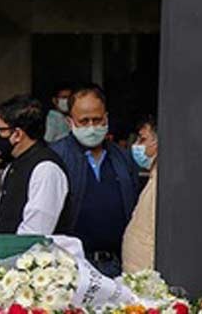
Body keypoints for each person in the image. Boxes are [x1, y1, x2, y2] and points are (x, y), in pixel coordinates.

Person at [50, 84, 140, 277]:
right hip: (70, 267)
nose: (91, 126)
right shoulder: (55, 158)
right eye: (84, 121)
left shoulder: (123, 159)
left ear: (106, 118)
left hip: (117, 265)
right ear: (70, 122)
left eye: (97, 120)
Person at [0, 94, 73, 236]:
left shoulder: (46, 170)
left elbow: (35, 232)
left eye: (1, 130)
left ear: (17, 134)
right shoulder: (13, 166)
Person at [122, 118, 158, 273]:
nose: (137, 145)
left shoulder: (162, 184)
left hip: (147, 278)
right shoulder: (154, 178)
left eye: (143, 139)